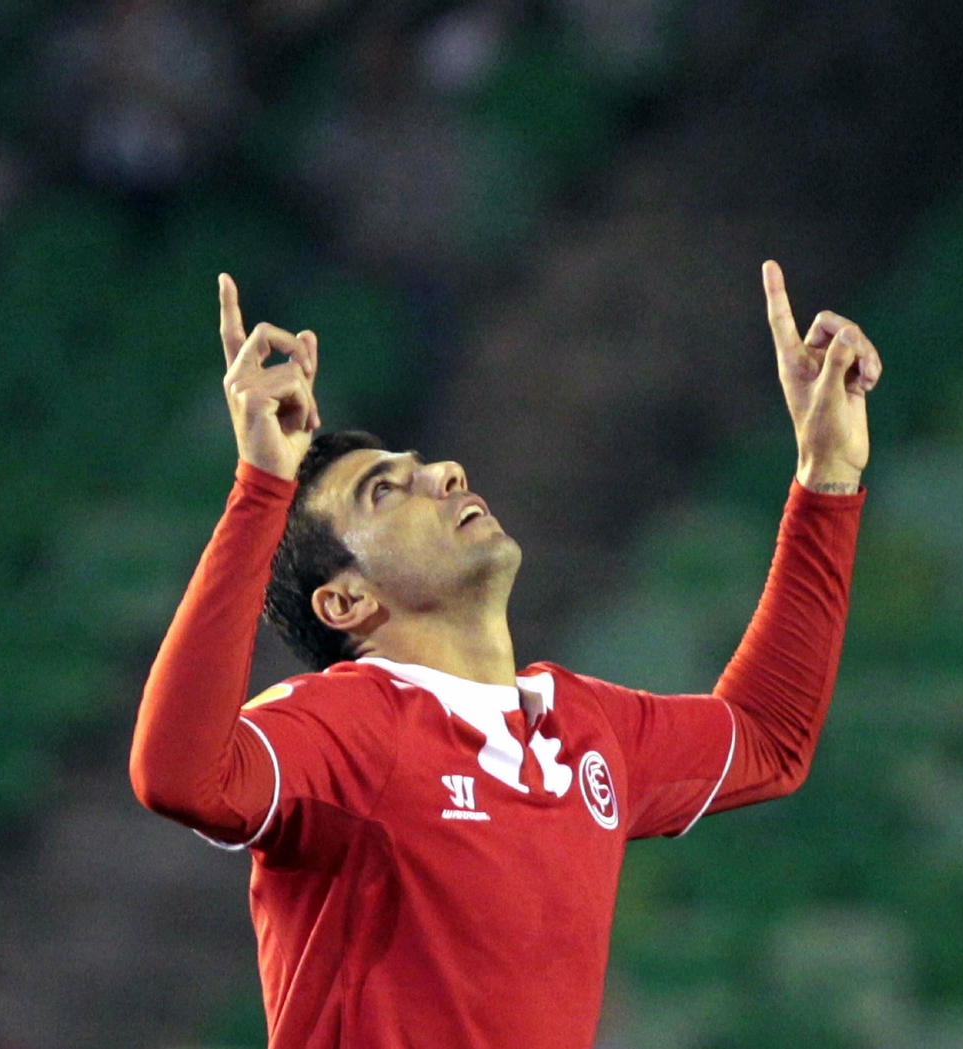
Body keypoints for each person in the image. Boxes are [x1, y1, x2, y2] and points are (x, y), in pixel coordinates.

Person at [128, 261, 881, 1048]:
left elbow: (768, 736)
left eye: (424, 467)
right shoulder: (351, 724)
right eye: (386, 492)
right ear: (346, 601)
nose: (444, 472)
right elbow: (182, 775)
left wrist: (828, 474)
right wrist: (261, 488)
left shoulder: (586, 728)